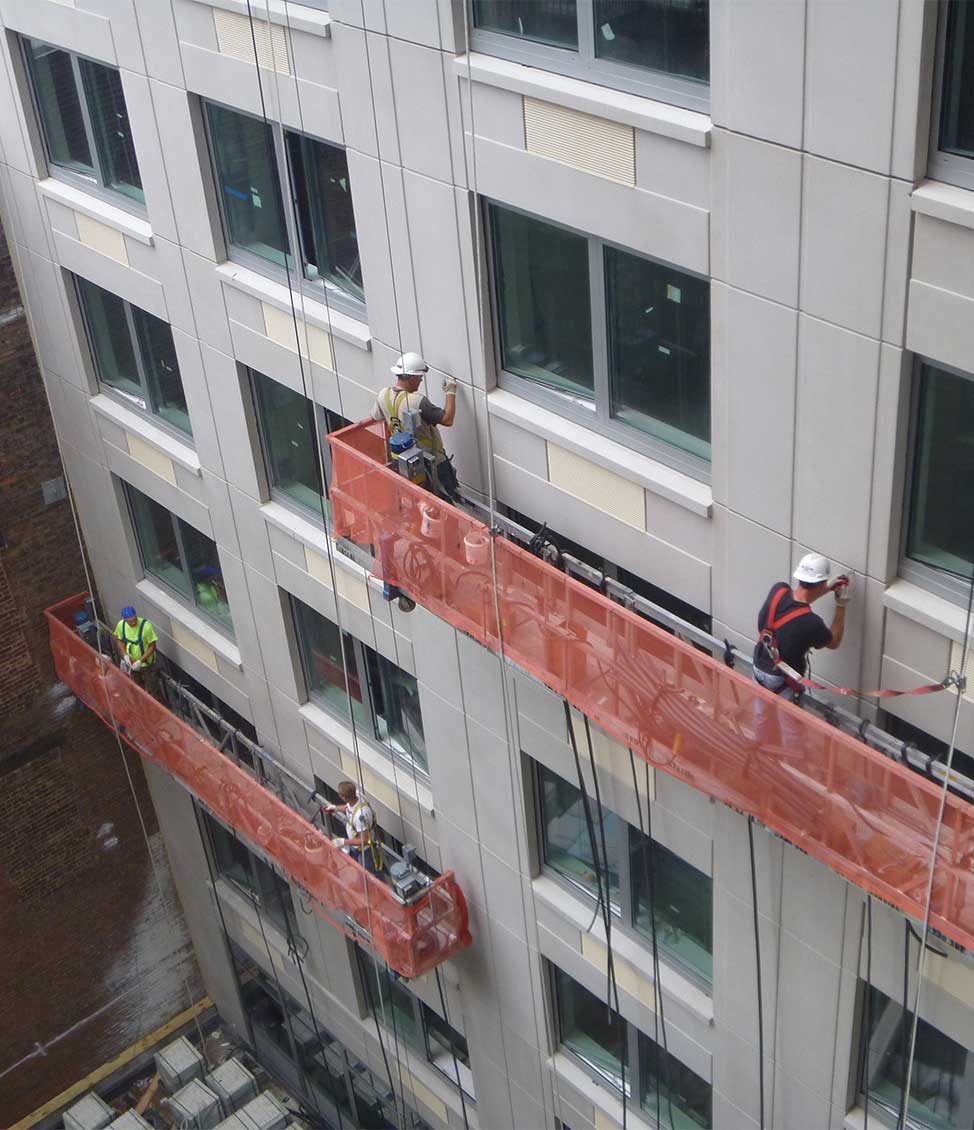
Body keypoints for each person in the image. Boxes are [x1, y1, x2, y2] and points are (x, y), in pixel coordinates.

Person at [750, 554, 851, 750]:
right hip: (783, 680)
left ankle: (760, 752)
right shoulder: (811, 623)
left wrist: (827, 587)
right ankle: (792, 765)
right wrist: (841, 606)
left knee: (761, 715)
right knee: (791, 729)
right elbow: (834, 641)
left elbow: (800, 599)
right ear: (820, 584)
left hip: (759, 667)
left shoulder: (778, 591)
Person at [371, 351, 459, 502]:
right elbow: (447, 419)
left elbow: (375, 417)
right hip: (433, 464)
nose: (420, 382)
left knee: (422, 503)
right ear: (411, 378)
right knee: (447, 502)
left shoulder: (383, 395)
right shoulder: (417, 401)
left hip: (404, 463)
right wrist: (450, 392)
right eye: (419, 378)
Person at [321, 781, 385, 875]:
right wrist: (335, 808)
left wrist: (343, 842)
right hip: (356, 847)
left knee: (368, 876)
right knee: (358, 870)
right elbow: (349, 808)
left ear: (344, 797)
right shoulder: (357, 796)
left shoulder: (361, 816)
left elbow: (364, 840)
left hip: (365, 852)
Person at [114, 605, 161, 698]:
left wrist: (140, 661)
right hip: (131, 663)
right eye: (130, 621)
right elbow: (119, 639)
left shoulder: (145, 627)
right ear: (125, 620)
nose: (134, 622)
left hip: (147, 665)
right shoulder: (121, 625)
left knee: (152, 690)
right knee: (136, 688)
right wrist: (125, 655)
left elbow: (152, 646)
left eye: (135, 619)